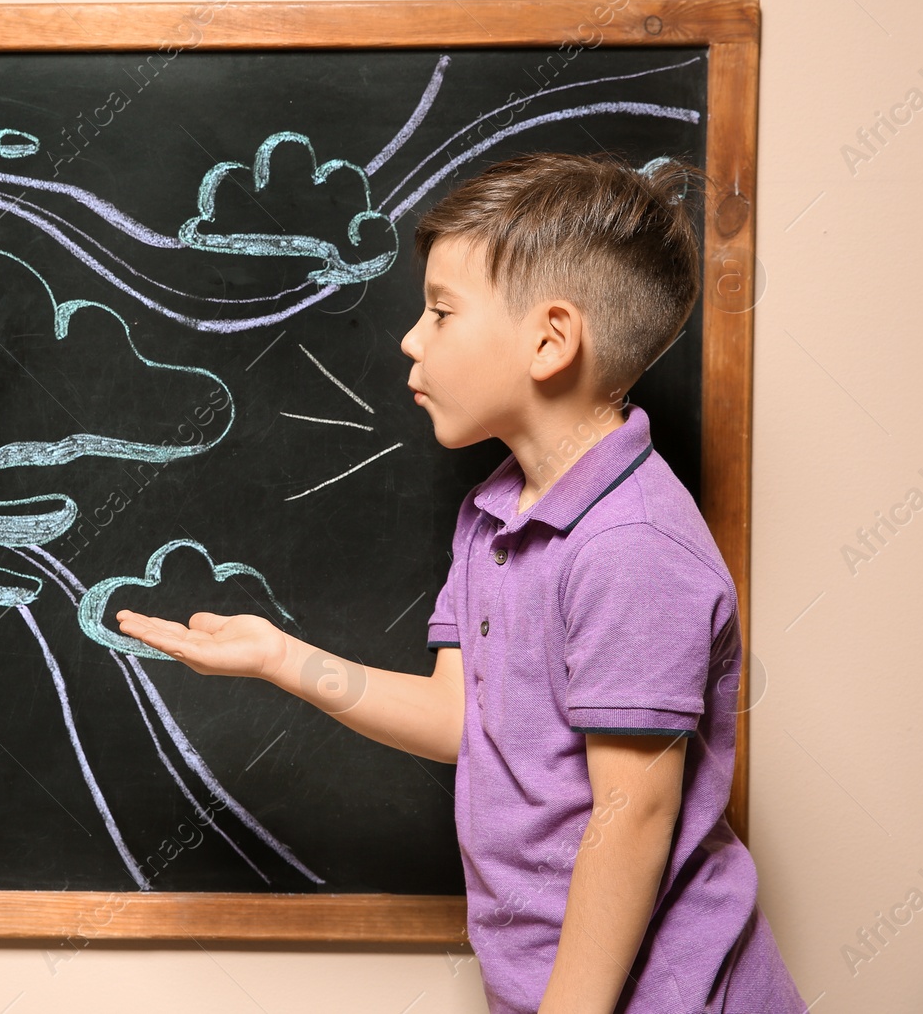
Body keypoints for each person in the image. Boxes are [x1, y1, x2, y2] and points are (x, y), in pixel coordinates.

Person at [115, 152, 808, 1013]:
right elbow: (462, 720)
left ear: (551, 340)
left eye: (442, 311)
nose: (411, 336)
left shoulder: (632, 544)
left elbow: (632, 815)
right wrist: (279, 657)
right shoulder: (494, 513)